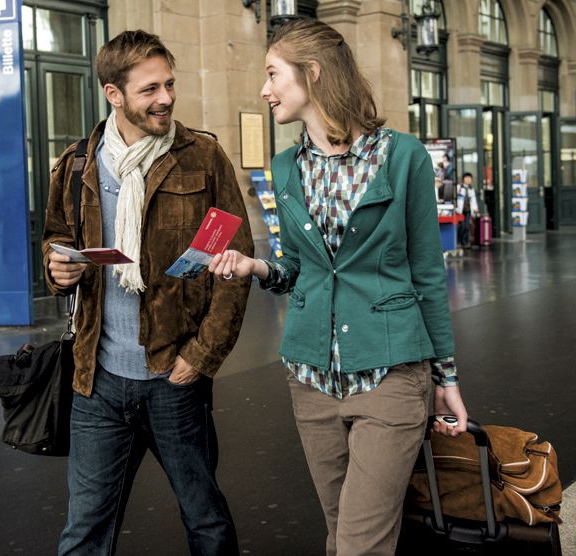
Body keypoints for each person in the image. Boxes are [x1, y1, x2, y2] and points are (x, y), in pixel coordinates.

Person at [209, 19, 468, 556]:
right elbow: (297, 268)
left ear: (314, 72)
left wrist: (446, 378)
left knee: (359, 542)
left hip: (390, 372)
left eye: (272, 73)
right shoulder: (286, 168)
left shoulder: (403, 158)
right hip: (310, 378)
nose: (264, 89)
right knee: (340, 533)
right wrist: (255, 268)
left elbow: (426, 275)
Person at [42, 29, 254, 555]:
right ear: (113, 94)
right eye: (149, 89)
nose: (165, 98)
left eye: (170, 84)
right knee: (84, 529)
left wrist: (202, 356)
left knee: (206, 520)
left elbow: (231, 264)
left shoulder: (202, 157)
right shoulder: (76, 163)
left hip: (173, 377)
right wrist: (57, 270)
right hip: (97, 380)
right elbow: (56, 240)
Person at [456, 172, 479, 248]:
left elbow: (473, 200)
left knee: (467, 227)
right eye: (467, 178)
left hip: (468, 210)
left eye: (470, 178)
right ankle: (458, 242)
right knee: (461, 226)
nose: (468, 180)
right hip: (460, 210)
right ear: (463, 179)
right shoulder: (458, 187)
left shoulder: (471, 189)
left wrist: (475, 209)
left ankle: (465, 242)